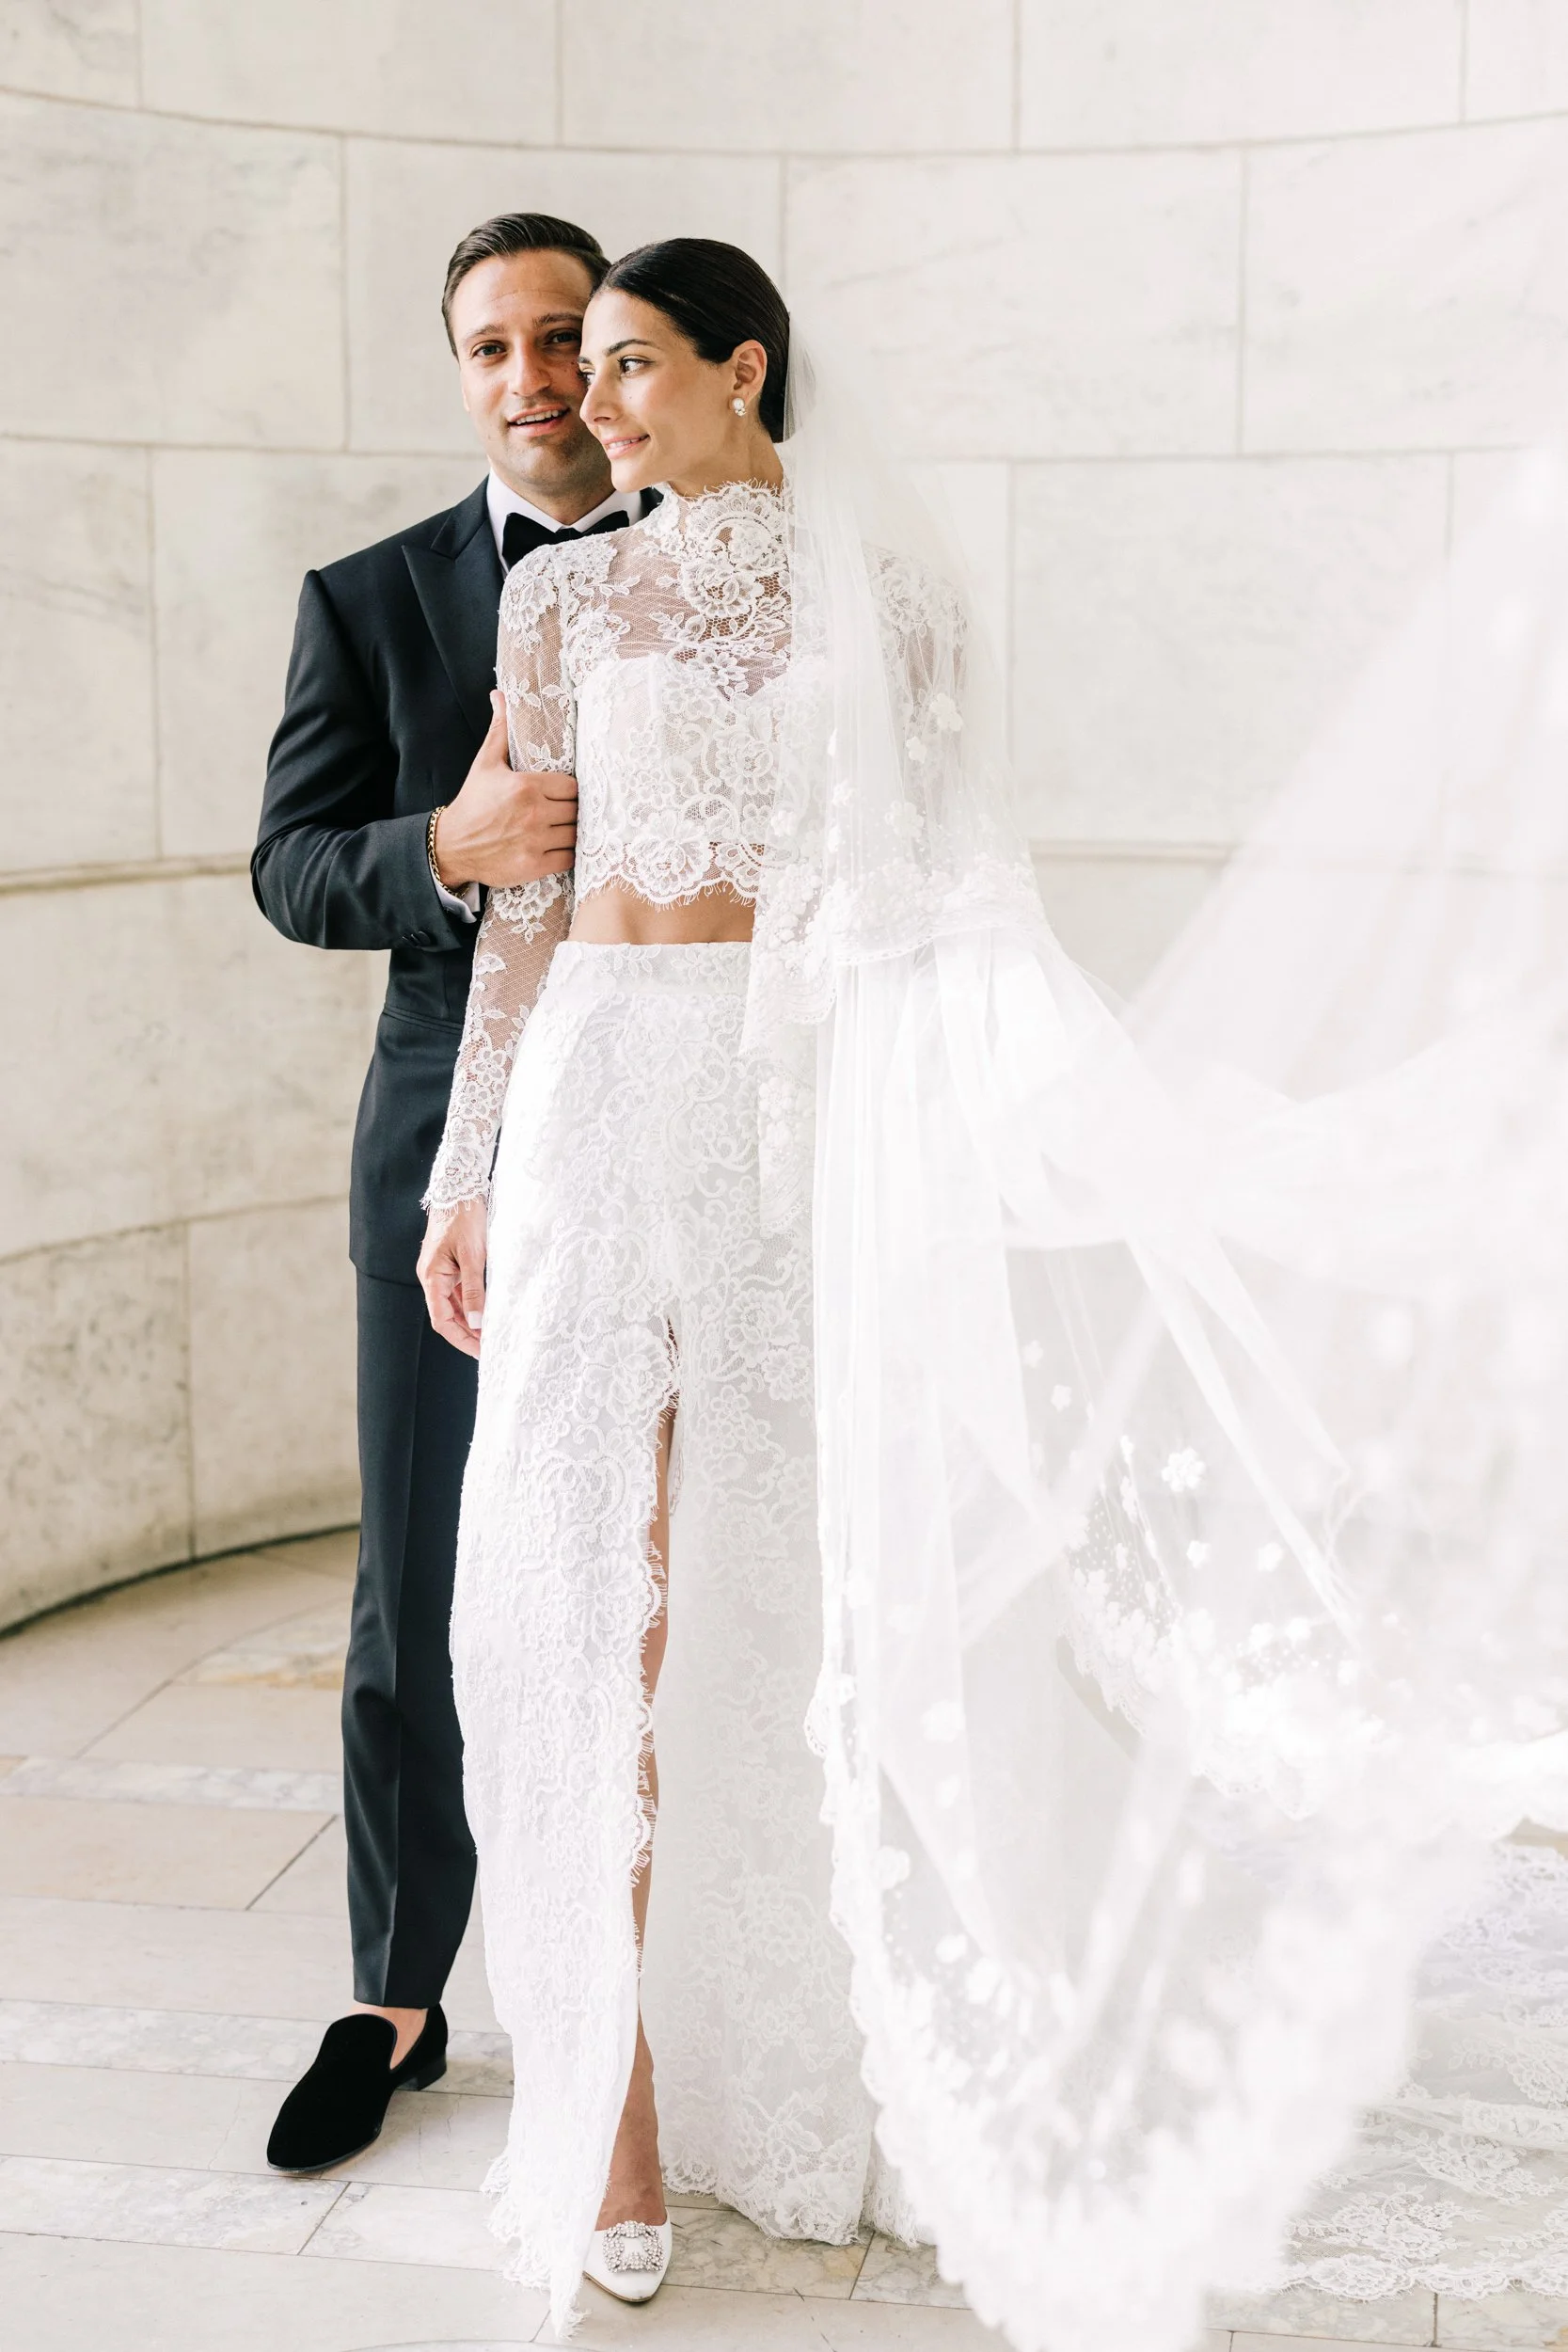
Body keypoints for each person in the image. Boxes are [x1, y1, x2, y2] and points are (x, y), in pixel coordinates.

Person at [420, 236, 1568, 2349]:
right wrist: (464, 1160)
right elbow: (523, 905)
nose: (587, 400)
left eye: (630, 364)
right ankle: (610, 2109)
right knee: (598, 1570)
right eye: (574, 369)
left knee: (795, 1572)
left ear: (742, 372)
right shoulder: (562, 594)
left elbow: (947, 881)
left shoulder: (897, 602)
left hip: (792, 1119)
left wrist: (978, 1097)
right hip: (597, 1083)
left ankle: (831, 2063)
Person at [252, 211, 660, 2176]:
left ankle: (663, 1986)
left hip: (677, 1110)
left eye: (561, 336)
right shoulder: (367, 597)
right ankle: (394, 1987)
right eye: (491, 346)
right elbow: (290, 865)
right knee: (413, 1566)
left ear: (623, 349)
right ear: (462, 371)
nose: (529, 377)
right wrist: (447, 840)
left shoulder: (722, 568)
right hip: (446, 1130)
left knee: (676, 1550)